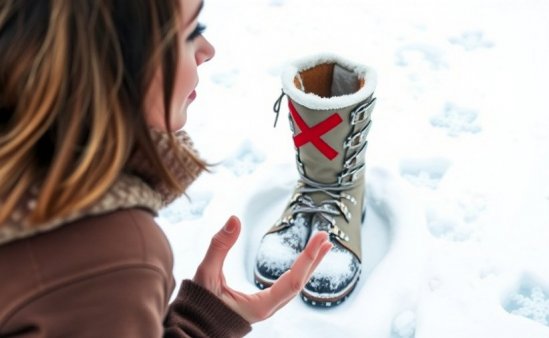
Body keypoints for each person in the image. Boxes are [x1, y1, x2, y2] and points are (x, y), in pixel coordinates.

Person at [0, 0, 332, 336]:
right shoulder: (114, 262)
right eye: (192, 32)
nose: (208, 50)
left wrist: (202, 318)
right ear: (113, 63)